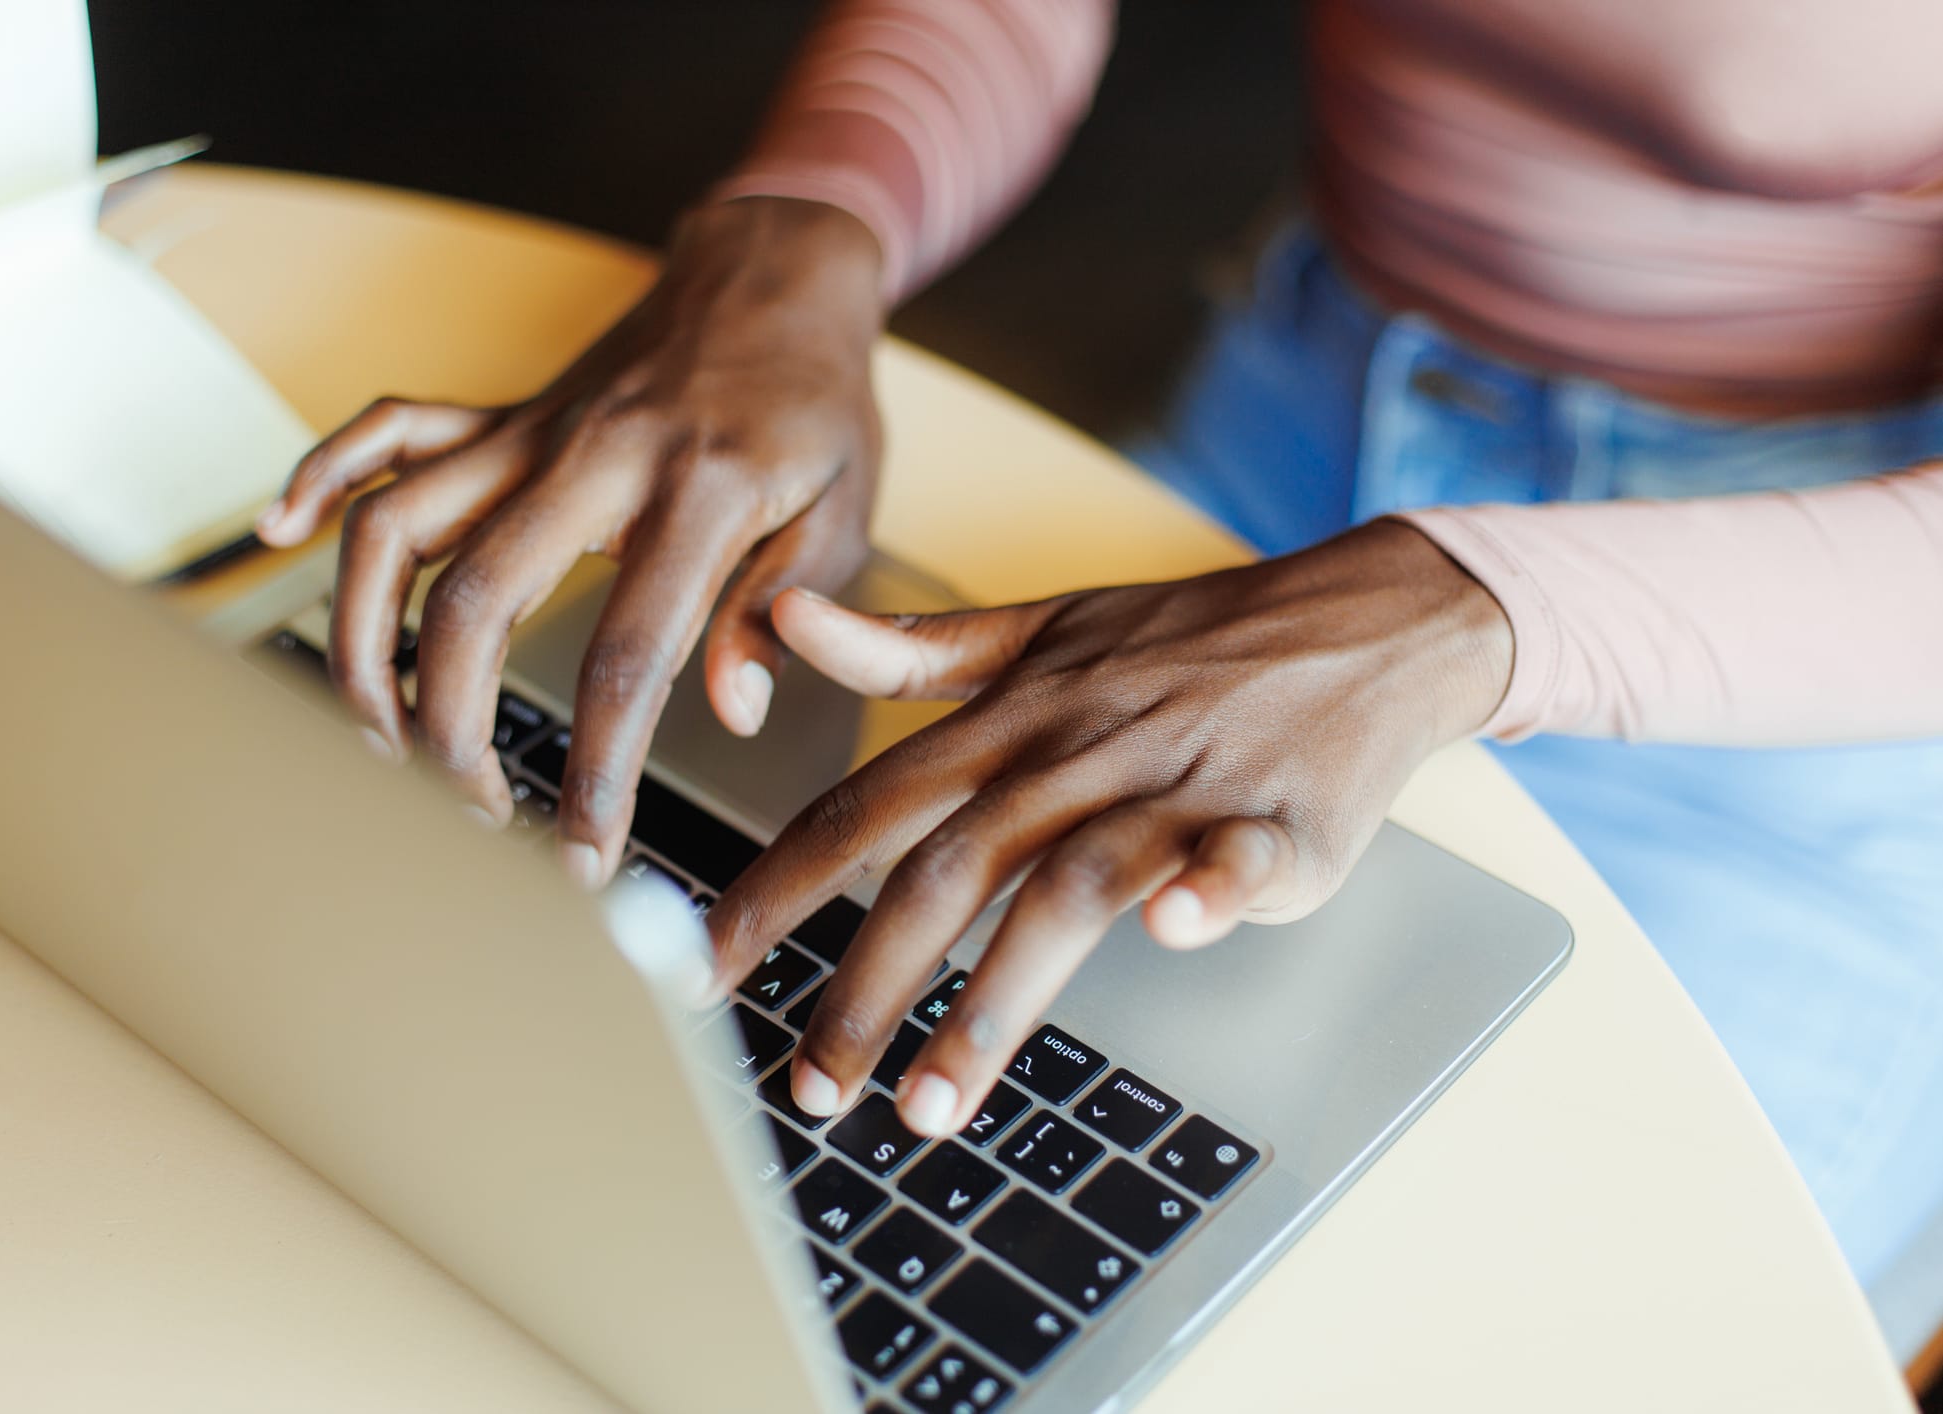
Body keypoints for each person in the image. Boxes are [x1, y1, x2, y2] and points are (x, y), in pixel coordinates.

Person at [252, 0, 1943, 1289]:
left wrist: (1470, 605)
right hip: (1298, 417)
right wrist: (798, 234)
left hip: (1803, 608)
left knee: (1550, 1290)